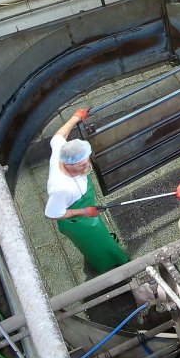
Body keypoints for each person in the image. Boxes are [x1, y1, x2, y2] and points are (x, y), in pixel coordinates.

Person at [44, 108, 128, 273]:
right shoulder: (61, 188)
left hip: (83, 209)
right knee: (97, 242)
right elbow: (53, 213)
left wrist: (75, 117)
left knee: (100, 235)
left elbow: (58, 137)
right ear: (69, 164)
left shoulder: (61, 150)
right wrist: (84, 211)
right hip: (77, 223)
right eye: (82, 165)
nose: (87, 166)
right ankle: (111, 264)